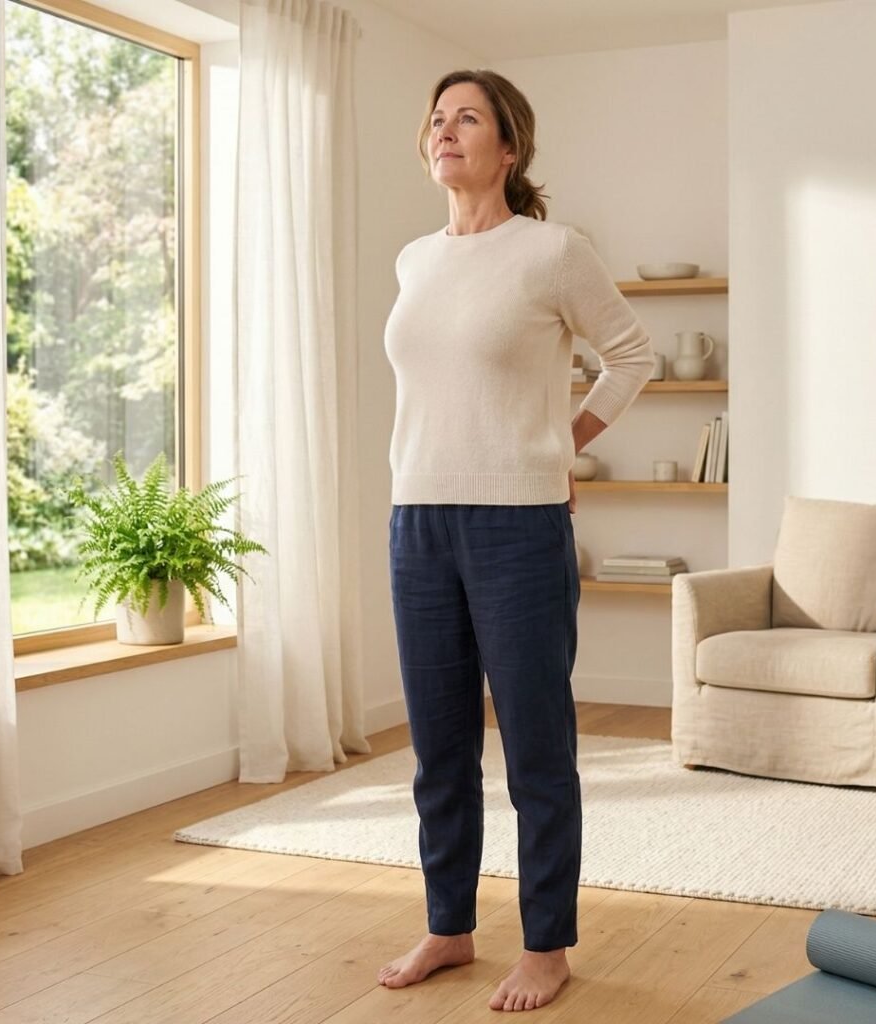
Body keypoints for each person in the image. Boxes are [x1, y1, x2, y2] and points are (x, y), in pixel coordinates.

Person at [379, 68, 654, 1013]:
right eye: (438, 119)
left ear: (509, 147)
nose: (446, 131)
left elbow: (633, 354)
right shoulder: (416, 260)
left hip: (520, 527)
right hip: (416, 520)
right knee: (439, 747)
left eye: (469, 118)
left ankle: (547, 945)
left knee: (537, 745)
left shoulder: (552, 252)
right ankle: (448, 926)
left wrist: (564, 441)